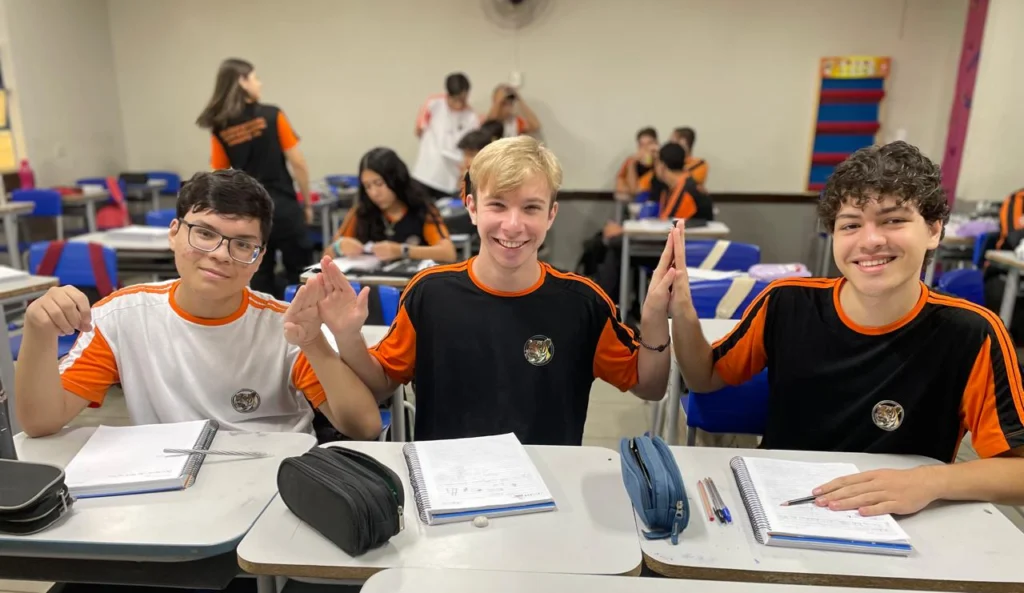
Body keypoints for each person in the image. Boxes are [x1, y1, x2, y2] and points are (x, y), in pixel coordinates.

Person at [671, 141, 1024, 516]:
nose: (870, 241)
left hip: (900, 522)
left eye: (893, 220)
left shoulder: (971, 333)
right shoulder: (787, 302)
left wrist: (929, 482)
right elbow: (705, 376)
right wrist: (682, 310)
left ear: (934, 230)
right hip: (782, 506)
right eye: (851, 225)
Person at [312, 136, 674, 446]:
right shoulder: (430, 294)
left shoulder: (583, 304)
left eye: (531, 208)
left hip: (547, 483)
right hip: (448, 482)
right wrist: (348, 338)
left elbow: (650, 386)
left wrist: (655, 317)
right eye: (497, 205)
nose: (513, 225)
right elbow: (381, 384)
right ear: (472, 207)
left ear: (551, 215)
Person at [14, 170, 382, 441]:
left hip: (271, 484)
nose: (220, 254)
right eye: (205, 233)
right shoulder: (121, 317)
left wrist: (314, 343)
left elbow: (364, 427)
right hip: (169, 491)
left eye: (242, 244)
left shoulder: (284, 326)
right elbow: (41, 422)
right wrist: (38, 329)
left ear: (259, 258)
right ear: (174, 233)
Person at [196, 58, 313, 299]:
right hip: (284, 206)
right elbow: (298, 163)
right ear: (242, 81)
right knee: (302, 274)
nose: (260, 83)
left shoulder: (220, 127)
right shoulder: (272, 115)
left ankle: (263, 320)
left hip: (249, 212)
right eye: (255, 77)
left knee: (258, 276)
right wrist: (308, 203)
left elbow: (218, 175)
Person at [326, 148, 456, 264]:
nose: (374, 193)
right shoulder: (361, 211)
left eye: (379, 184)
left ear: (395, 179)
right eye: (367, 186)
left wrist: (402, 251)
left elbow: (448, 253)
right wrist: (339, 247)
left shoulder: (422, 208)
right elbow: (327, 255)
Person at [412, 72, 480, 200]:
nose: (460, 104)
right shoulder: (433, 104)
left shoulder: (472, 116)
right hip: (424, 173)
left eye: (463, 99)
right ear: (448, 95)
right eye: (456, 100)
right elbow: (418, 130)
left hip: (450, 180)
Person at [651, 142, 712, 221]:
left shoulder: (687, 191)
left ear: (662, 166)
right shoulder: (672, 186)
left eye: (656, 163)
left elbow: (670, 222)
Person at [615, 127, 659, 197]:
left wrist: (657, 158)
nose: (645, 148)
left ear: (656, 144)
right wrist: (632, 164)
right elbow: (620, 184)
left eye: (649, 144)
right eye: (642, 145)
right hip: (633, 197)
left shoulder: (661, 161)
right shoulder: (631, 161)